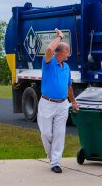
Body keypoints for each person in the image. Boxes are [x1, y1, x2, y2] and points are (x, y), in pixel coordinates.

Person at [37, 28, 79, 174]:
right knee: (46, 133)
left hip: (62, 104)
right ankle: (51, 156)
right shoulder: (49, 63)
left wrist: (73, 102)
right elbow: (49, 49)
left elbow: (69, 87)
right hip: (47, 103)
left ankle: (55, 162)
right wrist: (60, 37)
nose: (69, 54)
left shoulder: (66, 66)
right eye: (67, 51)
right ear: (60, 52)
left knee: (59, 134)